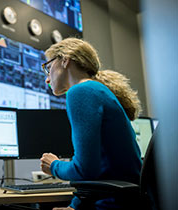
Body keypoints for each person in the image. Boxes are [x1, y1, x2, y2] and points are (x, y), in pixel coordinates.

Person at [39, 38, 142, 210]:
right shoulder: (96, 90)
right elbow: (99, 173)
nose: (47, 80)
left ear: (65, 60)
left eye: (48, 68)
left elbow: (84, 170)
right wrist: (75, 206)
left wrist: (54, 165)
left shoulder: (81, 91)